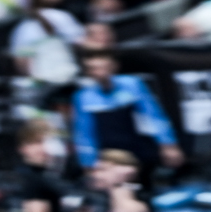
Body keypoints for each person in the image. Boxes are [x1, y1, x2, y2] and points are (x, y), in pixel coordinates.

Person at [72, 51, 182, 181]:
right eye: (94, 69)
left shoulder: (132, 84)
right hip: (110, 155)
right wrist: (88, 163)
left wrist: (168, 144)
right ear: (88, 73)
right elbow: (84, 132)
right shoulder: (83, 97)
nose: (100, 73)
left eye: (104, 67)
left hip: (140, 148)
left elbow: (153, 115)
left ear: (114, 67)